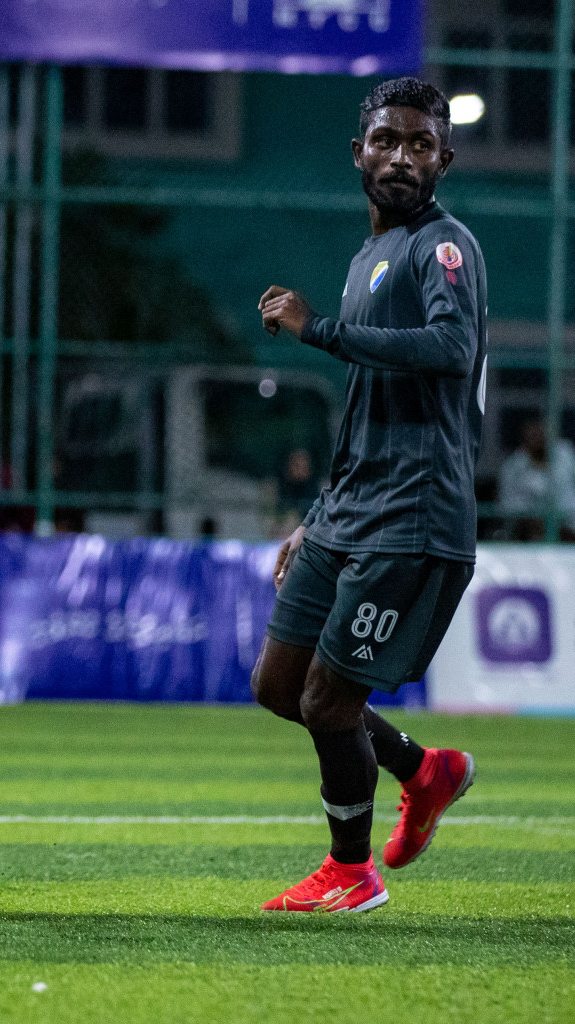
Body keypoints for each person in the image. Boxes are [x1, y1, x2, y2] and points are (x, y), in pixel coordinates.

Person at [253, 78, 484, 913]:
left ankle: (350, 871)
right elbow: (365, 407)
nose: (401, 157)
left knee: (328, 697)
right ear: (359, 153)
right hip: (351, 512)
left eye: (420, 145)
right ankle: (424, 770)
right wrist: (314, 521)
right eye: (387, 141)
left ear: (443, 161)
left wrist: (319, 330)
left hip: (412, 515)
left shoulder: (443, 246)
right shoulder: (369, 256)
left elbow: (450, 347)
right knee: (279, 687)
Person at [497, 414, 575, 541]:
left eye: (541, 434)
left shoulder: (565, 454)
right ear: (524, 440)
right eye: (533, 436)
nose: (538, 439)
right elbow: (508, 505)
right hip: (532, 533)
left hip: (570, 528)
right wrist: (536, 521)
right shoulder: (513, 467)